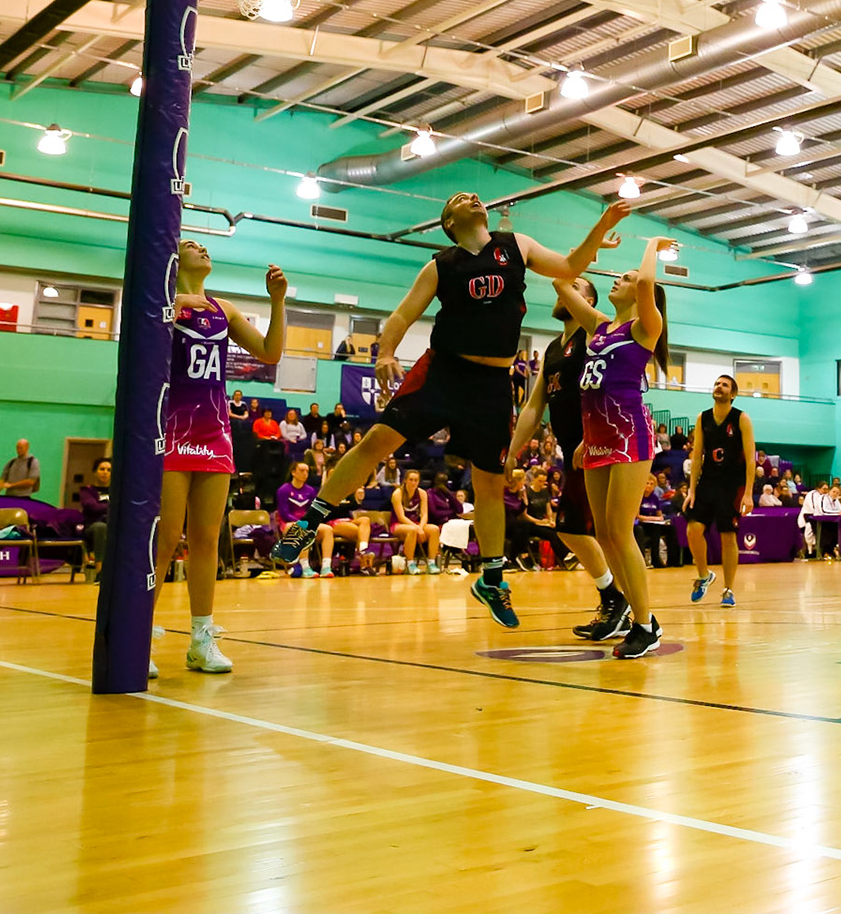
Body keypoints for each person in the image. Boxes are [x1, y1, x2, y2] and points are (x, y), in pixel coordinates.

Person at [268, 194, 629, 630]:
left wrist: (600, 223)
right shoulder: (441, 264)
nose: (474, 198)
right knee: (377, 441)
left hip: (493, 384)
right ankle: (310, 521)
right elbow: (402, 315)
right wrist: (385, 352)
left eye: (474, 196)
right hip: (443, 369)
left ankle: (493, 580)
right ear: (449, 221)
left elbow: (571, 269)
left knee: (490, 482)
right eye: (461, 199)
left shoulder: (516, 244)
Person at [145, 241, 286, 676]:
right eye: (190, 244)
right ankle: (138, 634)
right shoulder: (162, 302)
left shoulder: (222, 309)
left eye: (204, 246)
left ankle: (201, 640)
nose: (200, 248)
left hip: (214, 431)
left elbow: (270, 352)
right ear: (174, 257)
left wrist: (277, 301)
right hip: (170, 428)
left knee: (207, 539)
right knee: (165, 538)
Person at [552, 234, 674, 660]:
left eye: (625, 277)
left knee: (620, 532)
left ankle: (645, 625)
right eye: (619, 277)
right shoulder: (600, 327)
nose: (619, 281)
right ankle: (639, 617)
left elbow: (644, 285)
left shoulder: (645, 327)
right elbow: (560, 283)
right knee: (603, 533)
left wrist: (652, 246)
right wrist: (591, 246)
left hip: (629, 433)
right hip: (597, 435)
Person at [509, 274, 629, 641]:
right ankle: (620, 602)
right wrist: (512, 453)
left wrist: (591, 436)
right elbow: (533, 406)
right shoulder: (551, 350)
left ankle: (621, 602)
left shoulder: (595, 337)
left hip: (599, 447)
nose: (564, 292)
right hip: (573, 452)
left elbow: (610, 392)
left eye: (575, 288)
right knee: (583, 530)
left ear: (589, 300)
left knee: (586, 530)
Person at [686, 374, 756, 608]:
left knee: (728, 536)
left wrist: (748, 492)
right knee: (693, 530)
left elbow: (750, 459)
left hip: (731, 485)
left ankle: (728, 589)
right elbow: (697, 457)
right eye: (717, 383)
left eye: (725, 385)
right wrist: (691, 490)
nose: (719, 386)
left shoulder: (741, 419)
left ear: (732, 394)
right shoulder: (702, 417)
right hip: (708, 482)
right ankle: (704, 576)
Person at [390, 469, 440, 573]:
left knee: (434, 529)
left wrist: (421, 528)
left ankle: (431, 563)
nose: (413, 483)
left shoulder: (422, 493)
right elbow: (401, 517)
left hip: (416, 524)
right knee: (412, 530)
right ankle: (410, 564)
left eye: (416, 480)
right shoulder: (397, 494)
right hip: (398, 525)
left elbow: (424, 514)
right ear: (405, 481)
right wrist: (417, 528)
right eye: (411, 480)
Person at [79, 456, 111, 577]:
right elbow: (92, 507)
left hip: (113, 525)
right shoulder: (87, 491)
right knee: (100, 527)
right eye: (102, 469)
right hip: (92, 527)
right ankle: (100, 571)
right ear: (95, 472)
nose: (105, 472)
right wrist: (111, 506)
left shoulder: (118, 490)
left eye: (108, 470)